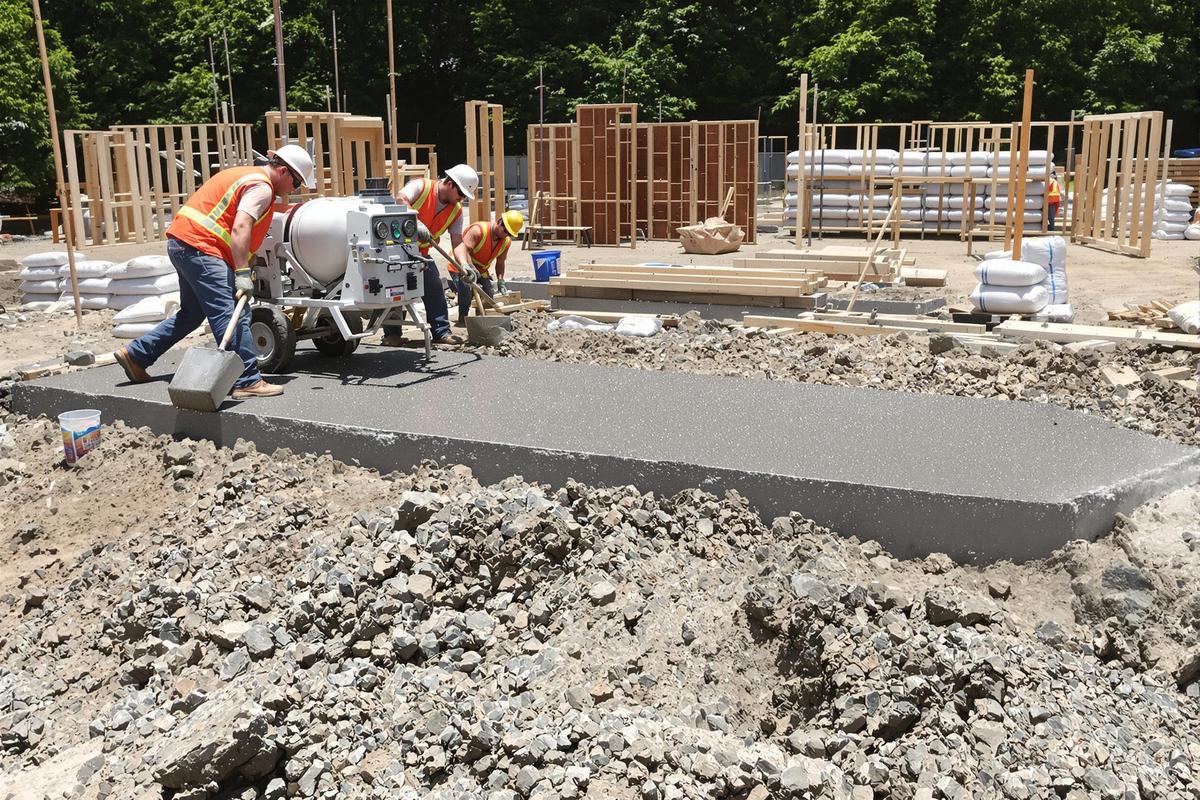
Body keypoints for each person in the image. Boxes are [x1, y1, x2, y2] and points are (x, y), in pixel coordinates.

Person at [113, 145, 315, 398]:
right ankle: (247, 380)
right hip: (203, 249)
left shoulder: (246, 175)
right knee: (233, 313)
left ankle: (136, 355)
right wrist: (241, 272)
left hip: (184, 243)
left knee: (192, 313)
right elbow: (241, 227)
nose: (294, 190)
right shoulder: (261, 188)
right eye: (296, 183)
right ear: (284, 171)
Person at [381, 165, 480, 346]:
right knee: (394, 290)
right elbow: (400, 198)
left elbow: (457, 241)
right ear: (450, 184)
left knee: (434, 286)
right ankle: (392, 334)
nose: (462, 199)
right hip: (395, 249)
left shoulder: (455, 211)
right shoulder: (421, 186)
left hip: (421, 254)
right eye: (461, 194)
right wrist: (415, 221)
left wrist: (465, 264)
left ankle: (441, 332)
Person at [451, 210, 523, 324]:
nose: (505, 234)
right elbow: (465, 251)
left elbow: (500, 262)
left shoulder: (506, 242)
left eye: (509, 233)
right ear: (499, 222)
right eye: (505, 230)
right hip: (461, 264)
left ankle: (482, 318)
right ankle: (463, 317)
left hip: (480, 269)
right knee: (466, 288)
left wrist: (501, 280)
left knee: (488, 291)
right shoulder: (479, 230)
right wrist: (470, 268)